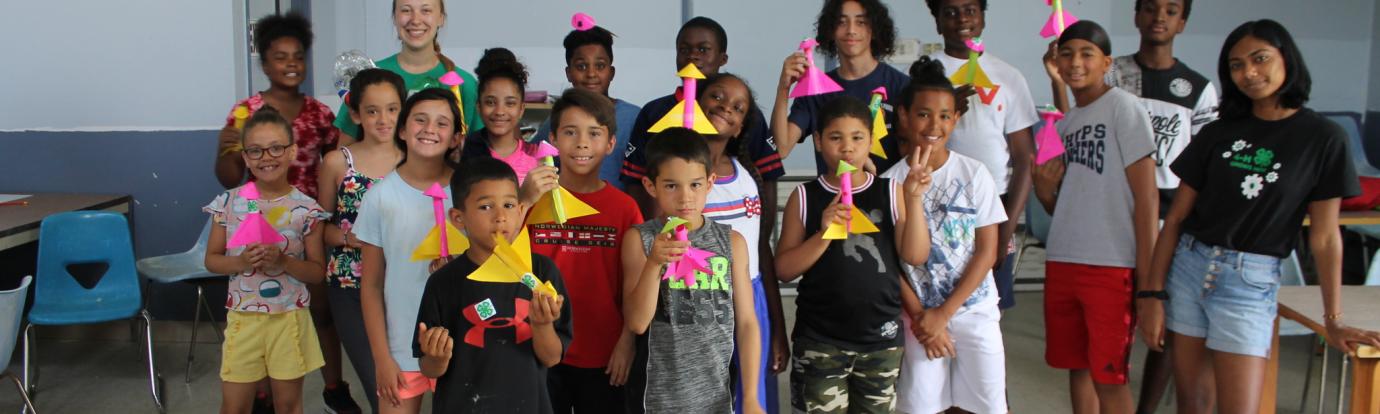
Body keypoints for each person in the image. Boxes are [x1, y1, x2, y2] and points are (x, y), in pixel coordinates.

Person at [1138, 19, 1380, 414]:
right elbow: (1177, 219)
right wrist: (1151, 294)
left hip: (1249, 282)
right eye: (1236, 65)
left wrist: (1333, 318)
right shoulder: (1218, 132)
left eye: (1260, 59)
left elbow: (1324, 236)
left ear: (1287, 58)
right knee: (1192, 405)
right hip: (1188, 270)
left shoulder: (1322, 138)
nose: (1249, 73)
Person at [1031, 20, 1159, 414]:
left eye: (1087, 54)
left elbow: (1147, 197)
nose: (1075, 62)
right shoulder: (1067, 123)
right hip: (1064, 259)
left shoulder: (1124, 107)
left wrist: (1148, 282)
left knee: (1109, 375)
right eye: (1067, 53)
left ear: (1107, 63)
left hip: (1111, 265)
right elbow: (1063, 206)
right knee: (1076, 365)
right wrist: (1042, 189)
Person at [775, 96, 931, 413]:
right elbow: (784, 270)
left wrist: (913, 200)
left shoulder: (891, 191)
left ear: (870, 141)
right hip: (820, 340)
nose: (847, 148)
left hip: (881, 342)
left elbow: (914, 256)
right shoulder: (804, 196)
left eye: (857, 138)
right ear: (818, 142)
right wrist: (823, 234)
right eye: (835, 137)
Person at [883, 56, 1008, 414]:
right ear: (904, 116)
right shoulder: (889, 183)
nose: (934, 124)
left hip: (975, 311)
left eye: (944, 115)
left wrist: (946, 313)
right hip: (918, 319)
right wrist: (925, 319)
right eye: (923, 114)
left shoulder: (974, 173)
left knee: (988, 406)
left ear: (955, 118)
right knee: (921, 406)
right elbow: (890, 263)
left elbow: (987, 251)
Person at [414, 157, 573, 413]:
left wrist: (542, 324)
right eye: (486, 207)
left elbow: (552, 357)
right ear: (458, 218)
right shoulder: (443, 282)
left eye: (509, 205)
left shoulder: (542, 272)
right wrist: (436, 357)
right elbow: (428, 367)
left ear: (522, 210)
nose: (500, 217)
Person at [621, 129, 765, 414]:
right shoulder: (640, 239)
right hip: (657, 398)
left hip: (718, 398)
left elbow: (747, 322)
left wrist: (750, 396)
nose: (686, 197)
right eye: (672, 186)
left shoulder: (732, 242)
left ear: (710, 183)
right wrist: (653, 264)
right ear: (651, 186)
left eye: (695, 185)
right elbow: (636, 323)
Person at [204, 107, 328, 414]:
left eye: (276, 148)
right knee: (234, 406)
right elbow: (212, 260)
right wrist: (242, 262)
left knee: (287, 405)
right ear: (245, 157)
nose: (266, 157)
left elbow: (316, 272)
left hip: (289, 319)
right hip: (243, 319)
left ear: (292, 152)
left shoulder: (307, 209)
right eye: (256, 151)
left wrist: (284, 263)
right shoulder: (229, 204)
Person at [529, 88, 644, 413]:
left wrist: (626, 343)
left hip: (605, 356)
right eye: (569, 132)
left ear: (610, 144)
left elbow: (632, 288)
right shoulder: (533, 201)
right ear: (551, 139)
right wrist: (523, 200)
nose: (581, 143)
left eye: (593, 134)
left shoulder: (624, 209)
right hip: (541, 350)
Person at [923, 0, 1039, 313]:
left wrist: (1007, 227)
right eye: (949, 12)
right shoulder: (926, 72)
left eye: (970, 10)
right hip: (936, 202)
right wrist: (947, 112)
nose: (961, 18)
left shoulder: (1009, 77)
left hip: (995, 205)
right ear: (937, 21)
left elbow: (1025, 157)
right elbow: (910, 142)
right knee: (937, 298)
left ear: (982, 17)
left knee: (989, 305)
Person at [354, 88, 465, 413]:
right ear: (402, 129)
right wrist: (382, 359)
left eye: (442, 123)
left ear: (456, 138)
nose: (430, 129)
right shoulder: (381, 197)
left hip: (461, 343)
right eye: (420, 119)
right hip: (402, 348)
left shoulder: (469, 191)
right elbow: (371, 285)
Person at [622, 17, 785, 220]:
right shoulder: (655, 112)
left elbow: (766, 178)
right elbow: (636, 180)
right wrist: (647, 232)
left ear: (722, 59)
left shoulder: (737, 114)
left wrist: (763, 242)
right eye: (684, 49)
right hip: (667, 235)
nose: (692, 56)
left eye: (703, 49)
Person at [695, 73, 789, 413]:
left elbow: (761, 253)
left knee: (749, 400)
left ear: (739, 128)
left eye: (738, 107)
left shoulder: (746, 177)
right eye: (717, 97)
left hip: (750, 302)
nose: (726, 108)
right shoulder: (678, 174)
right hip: (695, 302)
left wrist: (777, 327)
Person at [316, 68, 407, 413]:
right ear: (355, 114)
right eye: (372, 111)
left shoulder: (414, 158)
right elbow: (319, 227)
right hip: (350, 284)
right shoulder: (338, 162)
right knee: (381, 386)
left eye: (392, 109)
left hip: (403, 288)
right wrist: (350, 238)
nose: (383, 119)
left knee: (404, 384)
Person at [772, 0, 909, 174]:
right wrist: (783, 88)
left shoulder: (901, 86)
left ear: (874, 30)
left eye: (861, 22)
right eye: (841, 22)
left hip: (887, 197)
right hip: (832, 199)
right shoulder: (815, 89)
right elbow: (782, 149)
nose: (851, 30)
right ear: (830, 31)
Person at [332, 0, 482, 142]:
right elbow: (345, 154)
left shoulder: (464, 84)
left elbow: (480, 156)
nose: (416, 20)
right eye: (406, 10)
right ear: (394, 18)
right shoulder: (369, 77)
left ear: (441, 18)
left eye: (426, 10)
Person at [533, 23, 641, 189]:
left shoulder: (636, 118)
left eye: (600, 66)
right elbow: (531, 159)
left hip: (619, 211)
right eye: (581, 66)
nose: (591, 74)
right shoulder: (557, 120)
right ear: (569, 73)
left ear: (611, 72)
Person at [460, 48, 540, 184]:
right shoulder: (464, 152)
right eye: (490, 102)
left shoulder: (536, 156)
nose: (499, 111)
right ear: (479, 107)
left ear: (521, 109)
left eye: (510, 103)